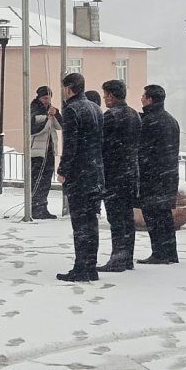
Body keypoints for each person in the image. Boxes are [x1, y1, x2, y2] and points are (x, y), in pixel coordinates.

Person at [55, 73, 105, 282]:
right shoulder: (96, 108)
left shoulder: (72, 110)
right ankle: (90, 266)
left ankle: (81, 267)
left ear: (68, 89)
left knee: (80, 223)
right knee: (90, 223)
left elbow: (71, 145)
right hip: (95, 172)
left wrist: (63, 170)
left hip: (80, 174)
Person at [97, 79, 141, 272]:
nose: (105, 98)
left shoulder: (111, 116)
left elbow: (102, 145)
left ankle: (118, 259)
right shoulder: (134, 114)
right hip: (130, 172)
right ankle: (127, 257)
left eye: (106, 94)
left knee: (116, 219)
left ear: (112, 95)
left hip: (114, 173)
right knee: (126, 218)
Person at [135, 84, 181, 264]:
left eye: (143, 96)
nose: (141, 99)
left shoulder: (150, 121)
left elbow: (143, 150)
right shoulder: (171, 120)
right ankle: (170, 252)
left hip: (152, 176)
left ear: (150, 99)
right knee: (165, 216)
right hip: (168, 175)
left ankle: (159, 253)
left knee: (153, 217)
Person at [29, 85, 62, 219]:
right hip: (37, 151)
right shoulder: (33, 110)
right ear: (39, 97)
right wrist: (48, 119)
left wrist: (57, 114)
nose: (47, 101)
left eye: (48, 98)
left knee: (46, 180)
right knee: (37, 180)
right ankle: (35, 207)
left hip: (48, 150)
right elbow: (34, 129)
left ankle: (43, 206)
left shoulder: (51, 109)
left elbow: (60, 126)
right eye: (44, 98)